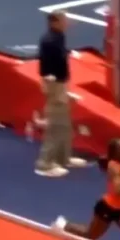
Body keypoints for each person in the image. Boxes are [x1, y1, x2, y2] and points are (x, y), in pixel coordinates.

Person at [35, 11, 87, 178]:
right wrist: (50, 81)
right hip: (54, 84)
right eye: (64, 20)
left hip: (61, 83)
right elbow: (44, 65)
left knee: (64, 124)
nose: (68, 22)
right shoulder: (49, 40)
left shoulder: (59, 37)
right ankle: (44, 164)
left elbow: (60, 54)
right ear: (54, 22)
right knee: (55, 125)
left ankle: (63, 158)